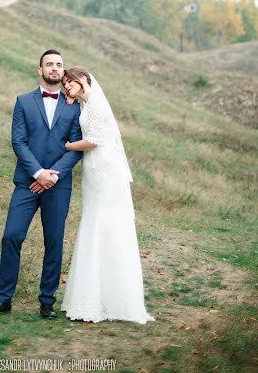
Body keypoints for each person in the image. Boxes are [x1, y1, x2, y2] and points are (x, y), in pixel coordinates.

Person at [0, 50, 83, 319]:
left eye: (59, 65)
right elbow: (18, 142)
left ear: (63, 73)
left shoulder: (74, 107)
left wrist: (53, 175)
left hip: (58, 186)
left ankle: (47, 301)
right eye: (49, 64)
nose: (54, 68)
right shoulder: (23, 101)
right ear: (40, 70)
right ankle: (4, 300)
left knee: (53, 242)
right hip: (26, 183)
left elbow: (75, 148)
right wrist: (38, 173)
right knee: (11, 236)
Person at [60, 67, 155, 324]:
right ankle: (94, 294)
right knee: (95, 222)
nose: (66, 86)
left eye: (70, 82)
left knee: (105, 223)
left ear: (83, 80)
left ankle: (109, 299)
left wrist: (68, 145)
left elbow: (94, 140)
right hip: (94, 171)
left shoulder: (96, 106)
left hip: (105, 170)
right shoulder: (86, 105)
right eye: (65, 84)